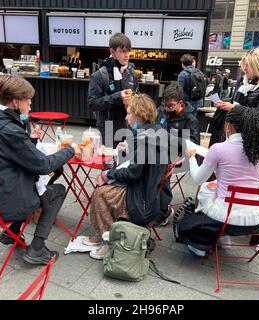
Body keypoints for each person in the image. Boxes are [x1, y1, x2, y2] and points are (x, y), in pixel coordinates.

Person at [0, 75, 76, 265]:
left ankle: (12, 232)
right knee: (57, 191)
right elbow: (43, 165)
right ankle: (37, 249)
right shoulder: (9, 130)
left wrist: (29, 140)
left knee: (43, 181)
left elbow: (5, 156)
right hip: (2, 203)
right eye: (28, 99)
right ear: (16, 102)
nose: (30, 103)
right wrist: (70, 150)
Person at [178, 105, 259, 256]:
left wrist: (192, 156)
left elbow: (197, 179)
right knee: (212, 187)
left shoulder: (219, 148)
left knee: (204, 193)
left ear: (229, 125)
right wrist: (249, 185)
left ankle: (208, 241)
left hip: (224, 216)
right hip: (256, 218)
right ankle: (223, 236)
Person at [83, 94, 168, 260]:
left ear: (138, 115)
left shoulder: (145, 138)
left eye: (129, 113)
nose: (126, 116)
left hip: (141, 197)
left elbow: (133, 172)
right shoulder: (156, 131)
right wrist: (129, 151)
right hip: (150, 190)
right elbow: (140, 165)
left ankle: (109, 241)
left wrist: (108, 174)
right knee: (104, 185)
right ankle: (103, 234)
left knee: (101, 193)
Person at [211, 48, 259, 146]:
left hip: (249, 139)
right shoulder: (244, 83)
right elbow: (235, 101)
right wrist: (224, 104)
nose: (244, 69)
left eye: (248, 66)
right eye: (244, 65)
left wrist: (233, 108)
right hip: (231, 133)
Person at [156, 82, 199, 226]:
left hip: (180, 158)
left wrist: (167, 138)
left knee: (162, 167)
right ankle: (147, 203)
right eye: (165, 104)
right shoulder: (161, 110)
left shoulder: (190, 119)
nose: (166, 108)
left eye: (171, 106)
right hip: (158, 150)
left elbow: (191, 143)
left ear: (180, 103)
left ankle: (163, 210)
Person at [88, 33, 139, 148]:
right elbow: (92, 104)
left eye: (128, 51)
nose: (127, 55)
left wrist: (134, 100)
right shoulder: (99, 75)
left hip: (129, 127)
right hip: (108, 129)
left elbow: (138, 97)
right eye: (123, 51)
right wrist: (117, 97)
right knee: (110, 164)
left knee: (127, 163)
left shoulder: (131, 73)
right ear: (112, 51)